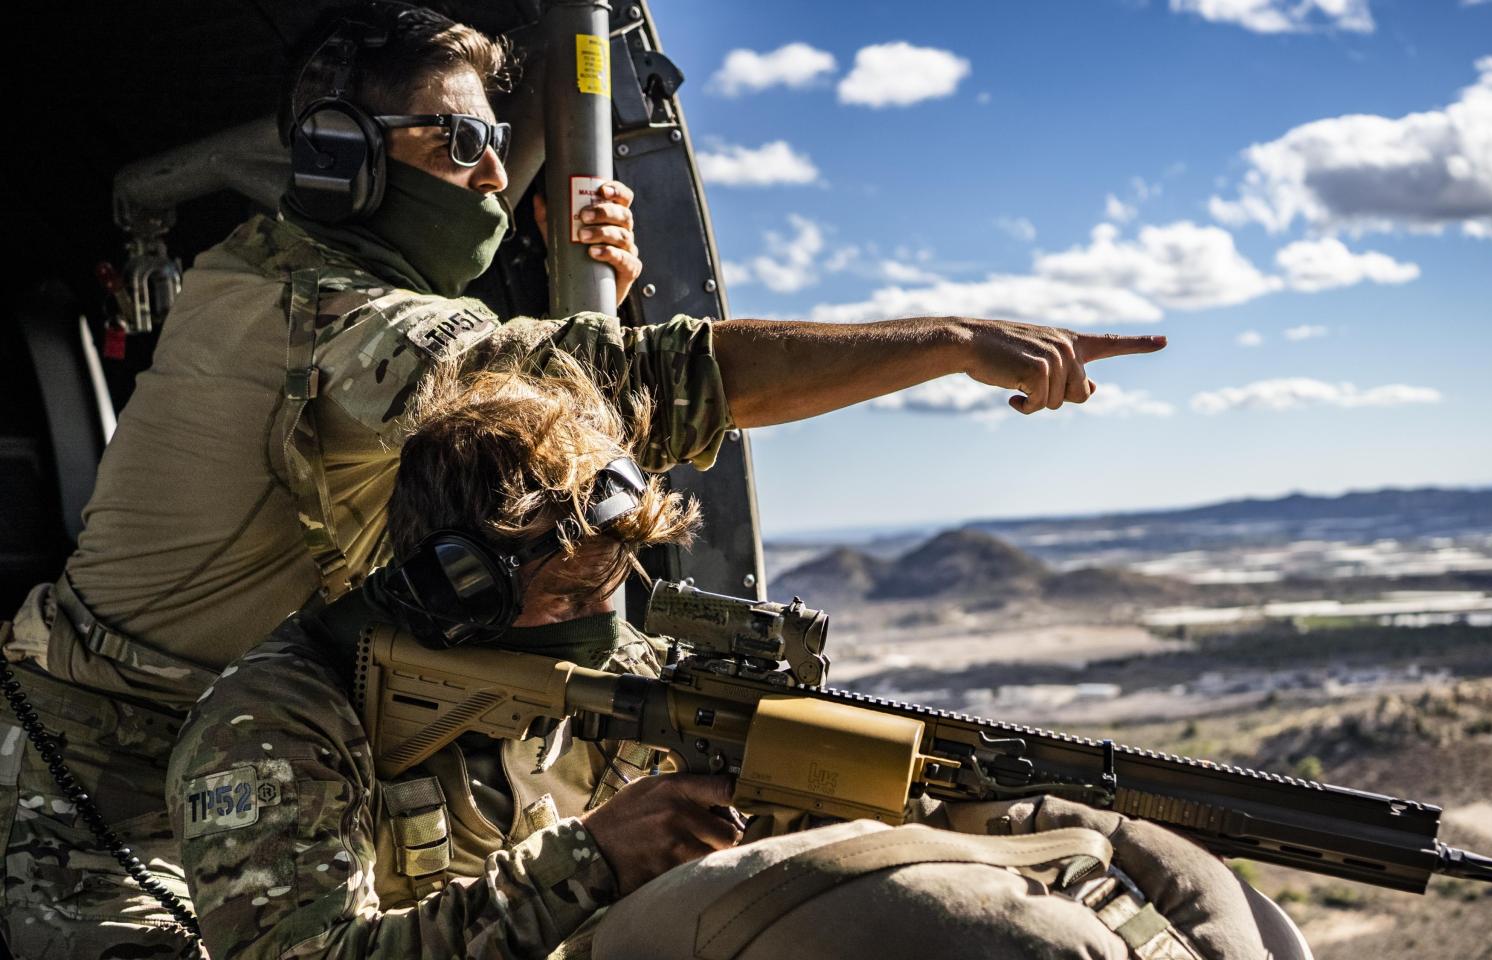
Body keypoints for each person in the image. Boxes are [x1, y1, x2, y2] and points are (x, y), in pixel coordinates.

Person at [0, 3, 1165, 955]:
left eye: (499, 141)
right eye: (460, 143)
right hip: (119, 779)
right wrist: (950, 341)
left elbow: (508, 432)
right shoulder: (307, 312)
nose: (493, 174)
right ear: (339, 158)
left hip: (318, 733)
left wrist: (579, 283)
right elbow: (628, 384)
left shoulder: (322, 286)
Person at [170, 356, 1300, 960]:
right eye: (568, 592)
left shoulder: (627, 655)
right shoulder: (278, 723)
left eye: (620, 582)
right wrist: (589, 862)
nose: (606, 622)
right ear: (452, 586)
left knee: (1142, 861)